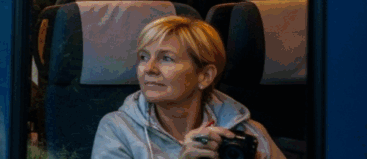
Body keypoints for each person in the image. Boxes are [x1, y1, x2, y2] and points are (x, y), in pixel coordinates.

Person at [91, 16, 284, 158]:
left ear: (205, 76)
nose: (148, 69)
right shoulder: (118, 129)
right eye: (143, 57)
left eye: (166, 58)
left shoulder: (247, 133)